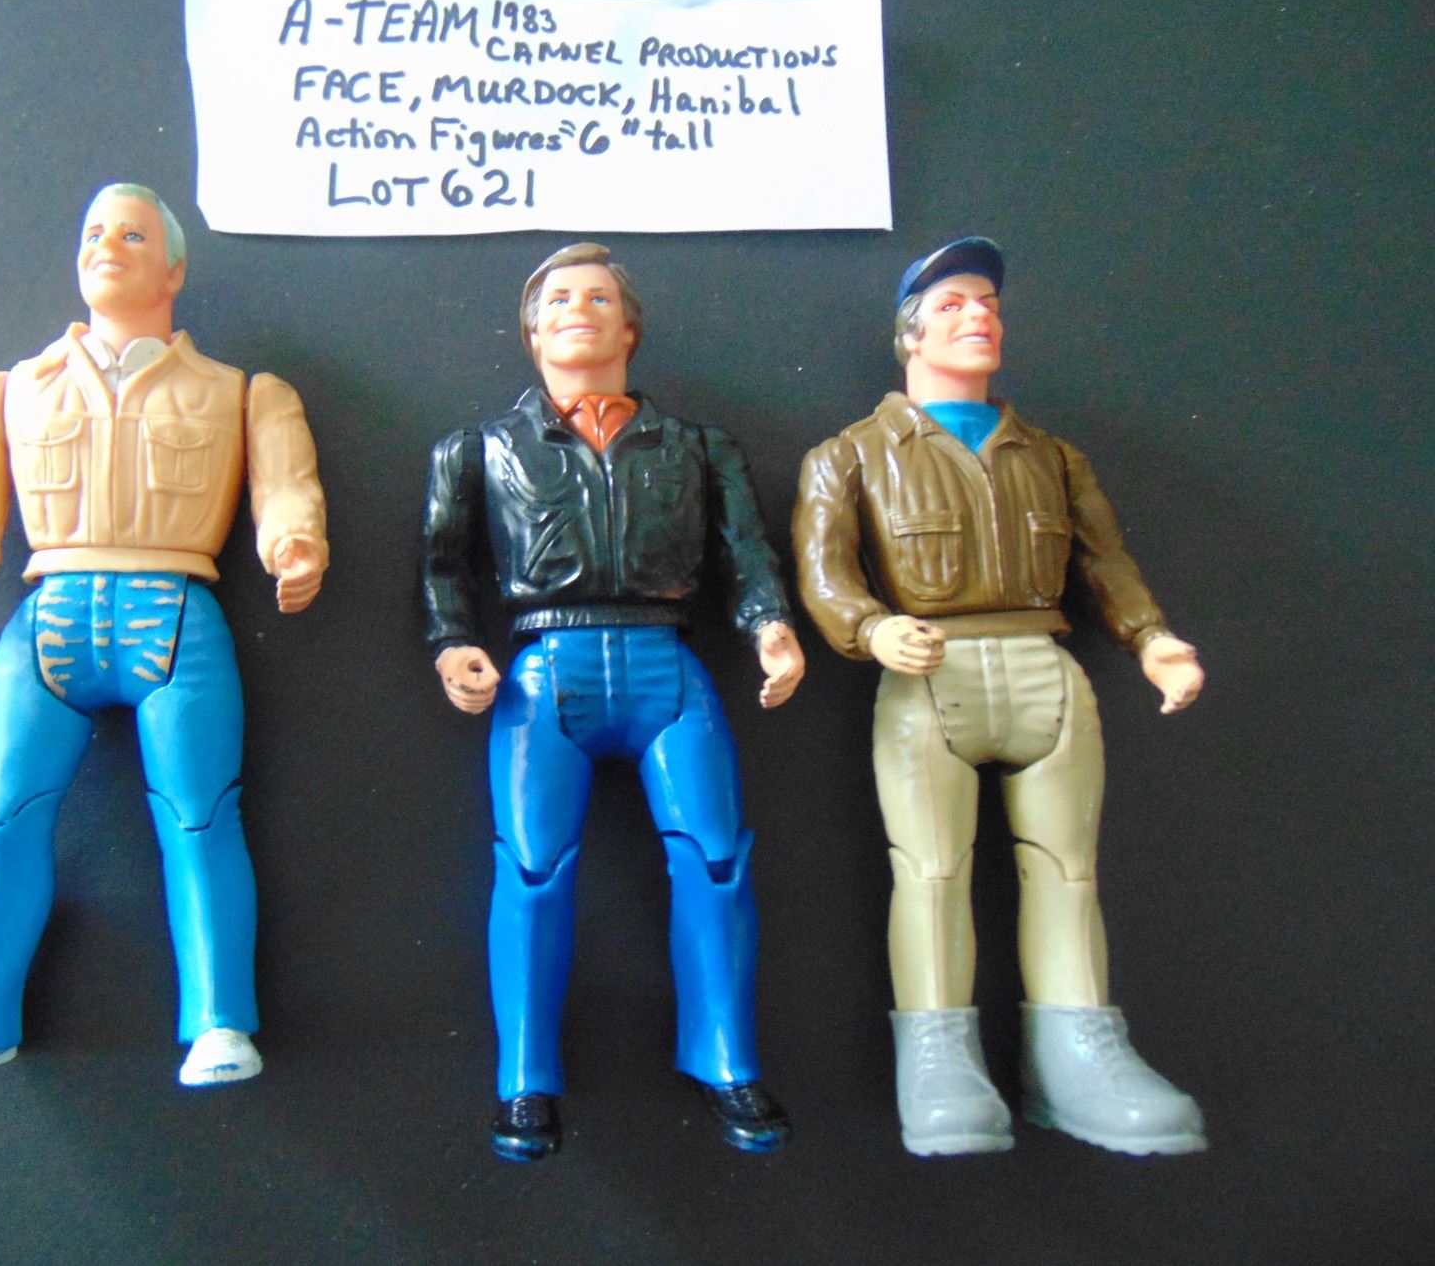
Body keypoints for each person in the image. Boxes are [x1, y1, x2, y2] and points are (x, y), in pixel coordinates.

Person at [0, 183, 328, 1095]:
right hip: (50, 612)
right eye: (93, 232)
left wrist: (295, 544)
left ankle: (219, 1019)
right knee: (3, 816)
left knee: (200, 815)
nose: (107, 246)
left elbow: (286, 489)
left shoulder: (241, 393)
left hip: (175, 613)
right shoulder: (8, 392)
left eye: (131, 234)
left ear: (174, 270)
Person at [793, 236, 1207, 1156]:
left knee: (1068, 873)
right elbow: (824, 574)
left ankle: (1078, 1058)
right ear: (910, 334)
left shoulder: (1053, 458)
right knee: (929, 871)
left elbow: (1106, 562)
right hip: (927, 680)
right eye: (952, 305)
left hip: (1043, 673)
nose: (978, 316)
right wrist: (869, 628)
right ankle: (937, 1060)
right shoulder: (851, 455)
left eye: (988, 303)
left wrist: (1153, 639)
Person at [422, 242, 805, 1160]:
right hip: (544, 676)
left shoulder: (697, 448)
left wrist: (770, 625)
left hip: (666, 663)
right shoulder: (478, 449)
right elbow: (442, 563)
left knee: (717, 858)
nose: (577, 310)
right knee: (530, 868)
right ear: (531, 332)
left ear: (630, 328)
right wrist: (454, 643)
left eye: (598, 298)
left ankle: (726, 1056)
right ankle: (524, 1078)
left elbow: (746, 553)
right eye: (557, 299)